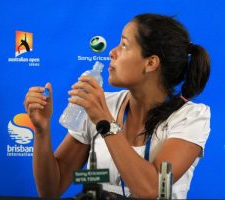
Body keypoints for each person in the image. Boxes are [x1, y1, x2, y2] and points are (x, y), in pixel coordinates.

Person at [24, 13, 211, 199]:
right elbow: (51, 189)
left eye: (124, 45)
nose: (112, 52)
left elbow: (151, 189)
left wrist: (105, 122)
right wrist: (42, 130)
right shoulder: (102, 105)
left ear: (151, 63)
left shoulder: (190, 117)